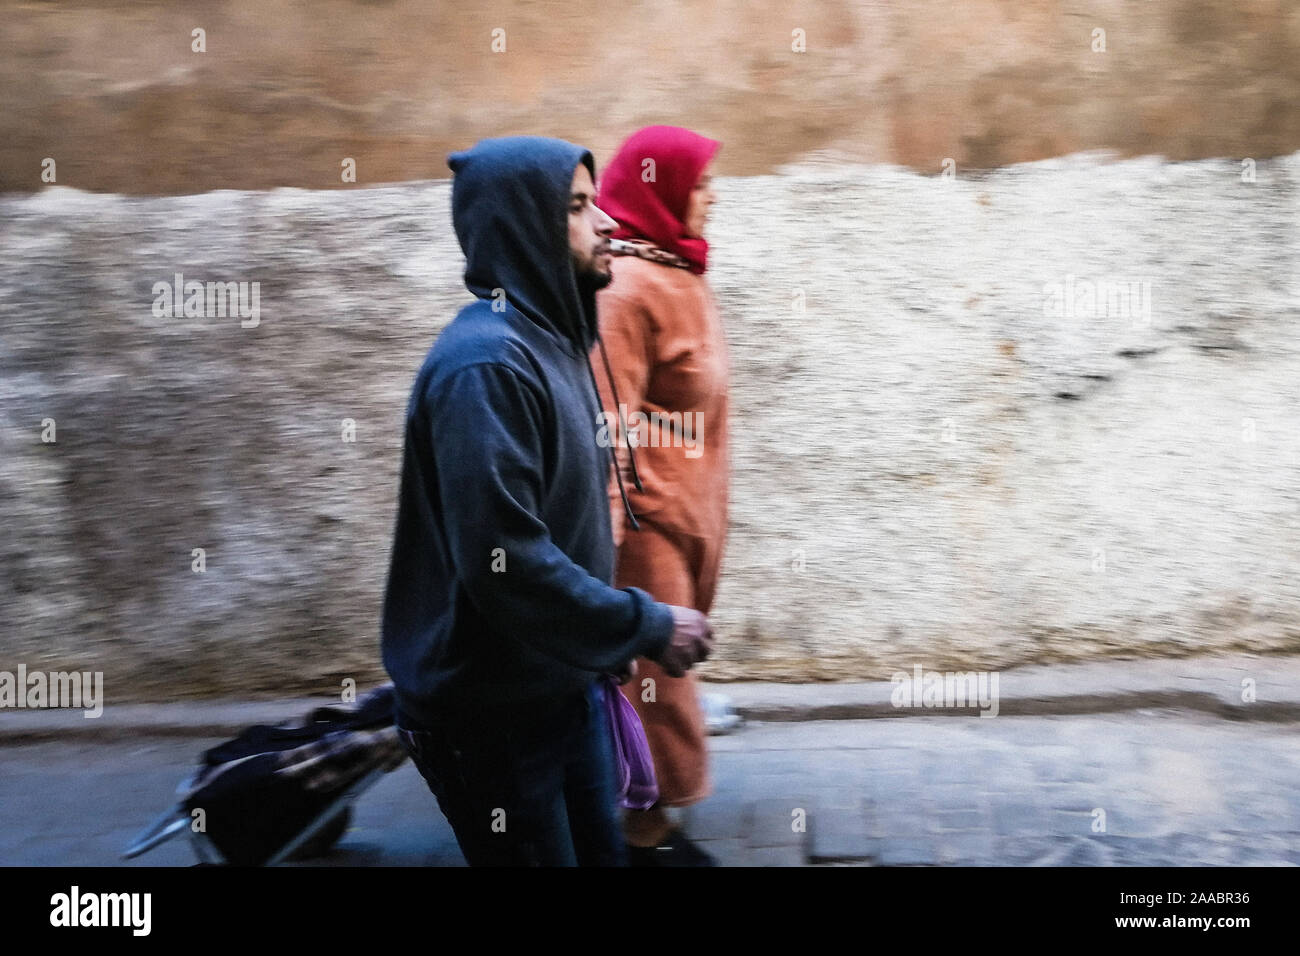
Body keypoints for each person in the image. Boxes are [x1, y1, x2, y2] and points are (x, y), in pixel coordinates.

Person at [380, 136, 714, 867]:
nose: (606, 225)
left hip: (561, 689)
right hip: (489, 720)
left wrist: (598, 646)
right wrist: (644, 623)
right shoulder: (487, 365)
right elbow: (507, 563)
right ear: (522, 225)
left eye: (595, 202)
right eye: (577, 207)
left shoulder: (555, 343)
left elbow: (565, 524)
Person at [592, 126, 730, 865]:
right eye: (701, 184)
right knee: (653, 674)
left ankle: (642, 804)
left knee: (666, 668)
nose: (712, 198)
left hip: (685, 505)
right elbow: (608, 414)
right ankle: (645, 831)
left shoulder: (678, 268)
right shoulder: (627, 288)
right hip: (646, 516)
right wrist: (610, 531)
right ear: (661, 188)